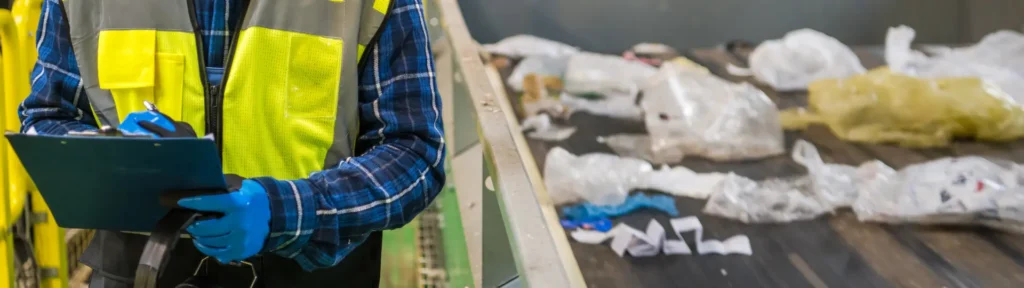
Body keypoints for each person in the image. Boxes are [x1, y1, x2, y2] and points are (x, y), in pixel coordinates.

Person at [20, 0, 446, 286]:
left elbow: (415, 150)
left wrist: (289, 209)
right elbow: (48, 118)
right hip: (140, 270)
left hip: (307, 270)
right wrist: (109, 150)